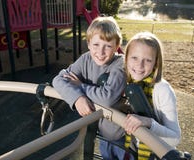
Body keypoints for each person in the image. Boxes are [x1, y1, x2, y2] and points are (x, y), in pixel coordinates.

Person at [52, 16, 127, 159]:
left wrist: (80, 86)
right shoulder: (86, 59)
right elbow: (58, 79)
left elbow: (107, 98)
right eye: (96, 45)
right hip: (101, 131)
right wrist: (77, 98)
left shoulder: (120, 65)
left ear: (117, 46)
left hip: (122, 134)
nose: (100, 52)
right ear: (88, 43)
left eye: (108, 46)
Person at [122, 32, 181, 160]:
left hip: (157, 154)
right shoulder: (126, 81)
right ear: (126, 58)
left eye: (147, 60)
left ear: (156, 62)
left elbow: (175, 139)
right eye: (134, 58)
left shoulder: (163, 90)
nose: (139, 65)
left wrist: (149, 123)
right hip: (132, 150)